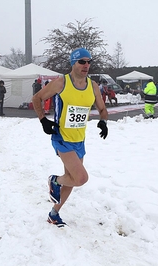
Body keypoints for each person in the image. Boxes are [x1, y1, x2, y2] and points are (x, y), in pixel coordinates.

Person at [32, 47, 108, 227]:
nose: (86, 65)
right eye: (82, 61)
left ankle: (53, 214)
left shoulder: (93, 86)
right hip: (62, 138)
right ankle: (54, 180)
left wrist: (104, 121)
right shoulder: (61, 83)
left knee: (72, 180)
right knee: (81, 178)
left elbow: (102, 109)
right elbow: (37, 98)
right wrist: (43, 120)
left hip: (79, 140)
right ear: (73, 63)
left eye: (89, 62)